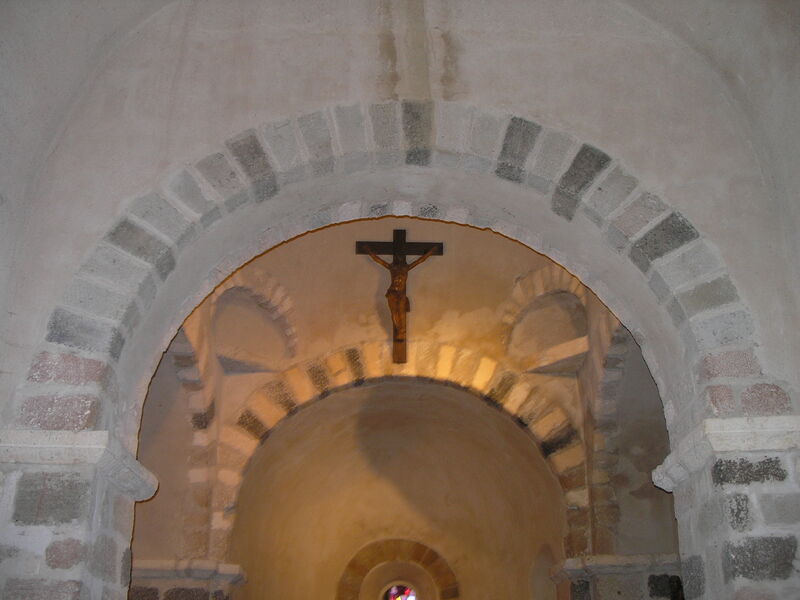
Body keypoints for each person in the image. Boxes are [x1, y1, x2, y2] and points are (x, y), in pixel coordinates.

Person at [364, 244, 437, 346]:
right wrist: (369, 251)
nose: (400, 259)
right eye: (399, 258)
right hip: (392, 293)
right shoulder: (392, 267)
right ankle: (399, 329)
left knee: (401, 311)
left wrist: (430, 252)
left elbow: (420, 260)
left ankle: (401, 330)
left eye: (401, 258)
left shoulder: (406, 267)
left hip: (401, 294)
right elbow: (378, 260)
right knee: (394, 312)